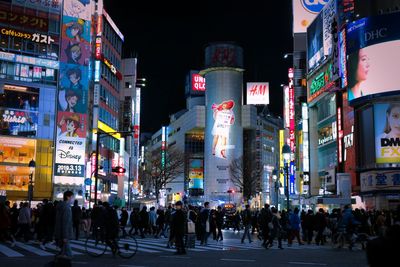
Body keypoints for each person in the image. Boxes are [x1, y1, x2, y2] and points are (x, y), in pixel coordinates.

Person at [54, 191, 74, 258]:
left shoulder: (61, 206)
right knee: (69, 255)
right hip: (64, 234)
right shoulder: (66, 207)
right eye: (72, 197)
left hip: (60, 232)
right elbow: (65, 222)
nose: (73, 199)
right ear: (68, 197)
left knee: (63, 254)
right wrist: (65, 236)